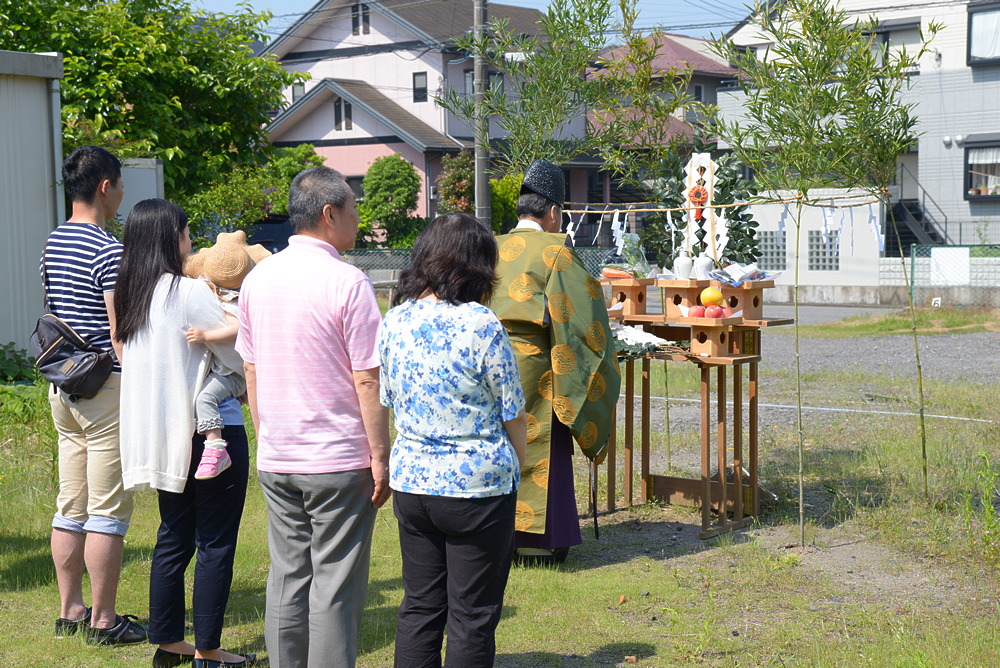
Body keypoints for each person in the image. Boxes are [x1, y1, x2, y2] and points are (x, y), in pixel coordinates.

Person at [237, 165, 390, 668]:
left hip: (279, 454)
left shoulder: (258, 279)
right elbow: (367, 379)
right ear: (329, 215)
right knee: (334, 586)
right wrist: (381, 456)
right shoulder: (348, 282)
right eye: (353, 207)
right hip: (337, 458)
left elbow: (251, 370)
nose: (358, 217)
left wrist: (267, 438)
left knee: (287, 577)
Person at [378, 213, 528, 668]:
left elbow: (387, 396)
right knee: (472, 616)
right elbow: (513, 412)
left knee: (421, 606)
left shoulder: (394, 321)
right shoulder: (480, 323)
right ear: (476, 267)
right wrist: (515, 468)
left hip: (413, 484)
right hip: (478, 488)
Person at [115, 199, 254, 668]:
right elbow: (239, 352)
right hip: (212, 434)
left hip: (163, 435)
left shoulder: (132, 293)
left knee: (172, 536)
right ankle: (209, 650)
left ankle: (169, 640)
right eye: (186, 232)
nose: (189, 240)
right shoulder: (186, 291)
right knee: (215, 543)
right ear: (169, 237)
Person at [489, 159, 621, 562]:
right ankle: (543, 541)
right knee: (542, 443)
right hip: (537, 367)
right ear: (552, 213)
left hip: (490, 363)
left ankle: (499, 537)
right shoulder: (556, 250)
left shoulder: (488, 245)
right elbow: (582, 319)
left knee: (498, 446)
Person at [41, 145, 147, 646]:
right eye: (121, 185)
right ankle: (104, 622)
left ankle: (70, 612)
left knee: (71, 503)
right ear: (105, 186)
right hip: (105, 387)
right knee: (108, 508)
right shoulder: (109, 251)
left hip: (62, 387)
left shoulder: (52, 244)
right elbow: (119, 331)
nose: (122, 194)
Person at [183, 231, 270, 480]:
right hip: (232, 371)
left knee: (204, 399)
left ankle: (215, 448)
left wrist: (205, 336)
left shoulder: (233, 299)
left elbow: (237, 329)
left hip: (231, 372)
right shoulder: (226, 294)